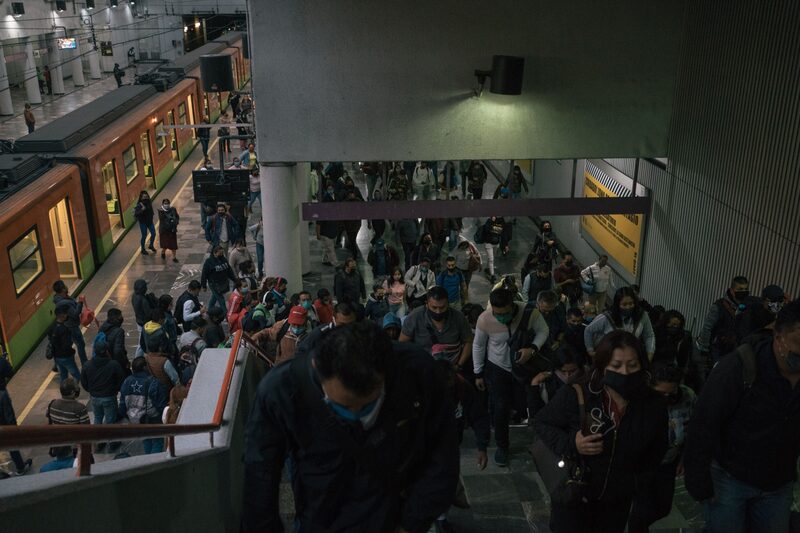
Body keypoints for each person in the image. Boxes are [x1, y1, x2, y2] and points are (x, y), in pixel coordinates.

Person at [242, 321, 459, 532]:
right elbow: (260, 476)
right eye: (343, 405)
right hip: (321, 515)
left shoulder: (416, 373)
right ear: (317, 367)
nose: (356, 415)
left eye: (367, 405)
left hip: (392, 513)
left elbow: (442, 454)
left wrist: (411, 524)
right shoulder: (281, 391)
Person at [684, 299, 800, 533]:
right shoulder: (740, 367)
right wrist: (698, 481)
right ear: (778, 337)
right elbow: (703, 424)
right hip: (729, 479)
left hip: (778, 483)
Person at [534, 330, 668, 533]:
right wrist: (573, 443)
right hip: (576, 494)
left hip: (617, 502)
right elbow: (542, 423)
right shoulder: (579, 393)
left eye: (632, 365)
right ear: (603, 365)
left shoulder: (652, 404)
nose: (624, 372)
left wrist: (636, 483)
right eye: (616, 366)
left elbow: (657, 450)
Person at [473, 288, 549, 466]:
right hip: (498, 368)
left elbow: (543, 331)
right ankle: (502, 445)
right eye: (497, 313)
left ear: (513, 305)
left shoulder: (530, 313)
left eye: (505, 313)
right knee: (500, 409)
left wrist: (532, 349)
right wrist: (478, 372)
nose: (501, 317)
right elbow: (478, 345)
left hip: (523, 368)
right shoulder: (485, 319)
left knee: (526, 404)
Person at [628, 364, 696, 533]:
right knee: (642, 510)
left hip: (668, 461)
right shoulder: (639, 400)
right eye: (660, 393)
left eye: (670, 393)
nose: (665, 398)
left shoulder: (688, 396)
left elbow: (696, 428)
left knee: (663, 507)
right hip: (643, 464)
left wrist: (684, 457)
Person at [400, 286, 473, 369]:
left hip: (451, 370)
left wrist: (459, 366)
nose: (438, 312)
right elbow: (402, 344)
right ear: (427, 304)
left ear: (448, 304)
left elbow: (468, 341)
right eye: (434, 307)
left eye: (442, 307)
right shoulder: (414, 317)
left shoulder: (459, 317)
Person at [584, 286, 656, 361]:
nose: (628, 307)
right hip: (608, 358)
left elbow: (649, 335)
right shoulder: (606, 317)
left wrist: (649, 354)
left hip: (631, 357)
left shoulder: (642, 316)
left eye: (631, 303)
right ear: (617, 305)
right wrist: (590, 351)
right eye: (624, 304)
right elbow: (588, 330)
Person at [696, 275, 753, 366]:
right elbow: (707, 328)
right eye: (740, 289)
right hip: (718, 349)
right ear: (732, 290)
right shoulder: (719, 306)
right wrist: (704, 350)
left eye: (745, 289)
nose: (743, 292)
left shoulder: (748, 306)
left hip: (737, 349)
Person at [80, 339, 125, 452]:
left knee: (98, 418)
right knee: (110, 420)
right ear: (107, 351)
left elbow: (84, 382)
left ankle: (98, 442)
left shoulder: (87, 365)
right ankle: (112, 442)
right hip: (109, 396)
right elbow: (121, 379)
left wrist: (91, 390)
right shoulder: (113, 364)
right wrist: (115, 390)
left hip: (95, 397)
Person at [119, 356, 168, 454]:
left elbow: (122, 403)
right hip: (152, 418)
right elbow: (160, 403)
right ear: (145, 367)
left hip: (136, 418)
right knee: (158, 441)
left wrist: (128, 416)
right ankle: (154, 462)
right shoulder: (153, 382)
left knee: (146, 440)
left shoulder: (127, 381)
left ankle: (147, 458)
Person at [41, 378, 89, 473]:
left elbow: (49, 418)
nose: (78, 390)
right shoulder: (80, 408)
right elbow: (86, 428)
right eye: (76, 388)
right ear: (72, 392)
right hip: (74, 445)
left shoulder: (52, 404)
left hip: (58, 442)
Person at [529, 346, 585, 417]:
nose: (567, 376)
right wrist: (534, 384)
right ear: (555, 369)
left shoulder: (588, 381)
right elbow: (536, 416)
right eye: (563, 371)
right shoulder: (546, 385)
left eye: (572, 371)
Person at [0, 356, 32, 475]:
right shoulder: (2, 396)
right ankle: (20, 467)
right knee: (11, 442)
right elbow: (10, 372)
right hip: (1, 392)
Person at [52, 280, 87, 365]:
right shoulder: (64, 303)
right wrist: (80, 302)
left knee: (68, 344)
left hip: (67, 325)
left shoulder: (59, 299)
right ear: (63, 289)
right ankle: (84, 363)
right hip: (72, 327)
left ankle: (56, 365)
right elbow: (75, 314)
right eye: (65, 286)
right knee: (80, 344)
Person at [201, 245, 237, 312]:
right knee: (221, 300)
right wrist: (203, 285)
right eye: (220, 253)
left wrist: (234, 279)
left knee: (214, 297)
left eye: (222, 253)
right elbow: (204, 274)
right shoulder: (209, 262)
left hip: (222, 283)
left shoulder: (223, 259)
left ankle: (209, 310)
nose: (221, 255)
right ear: (215, 253)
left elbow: (229, 271)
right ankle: (226, 315)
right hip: (214, 284)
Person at [51, 304, 81, 382]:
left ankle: (64, 389)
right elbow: (67, 344)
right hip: (66, 356)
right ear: (62, 316)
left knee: (63, 375)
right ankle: (75, 388)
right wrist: (72, 351)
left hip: (57, 356)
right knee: (76, 375)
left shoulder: (52, 326)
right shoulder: (64, 329)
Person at [97, 308, 130, 375]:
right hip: (116, 362)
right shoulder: (119, 331)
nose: (122, 318)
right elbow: (118, 351)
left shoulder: (102, 327)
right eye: (120, 316)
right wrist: (125, 362)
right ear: (116, 319)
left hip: (105, 361)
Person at [480, 216, 512, 283]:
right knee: (491, 259)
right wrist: (492, 221)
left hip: (496, 243)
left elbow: (503, 234)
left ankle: (487, 268)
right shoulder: (489, 220)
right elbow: (486, 229)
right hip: (488, 243)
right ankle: (492, 275)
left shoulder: (502, 221)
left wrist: (505, 245)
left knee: (491, 258)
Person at [132, 278, 156, 357]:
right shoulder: (143, 300)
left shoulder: (134, 296)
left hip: (139, 321)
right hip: (144, 324)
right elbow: (149, 313)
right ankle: (137, 358)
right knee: (142, 343)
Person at [134, 190, 157, 255]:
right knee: (144, 235)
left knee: (154, 233)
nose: (145, 198)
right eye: (143, 197)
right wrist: (142, 210)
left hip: (149, 221)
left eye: (146, 197)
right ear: (141, 197)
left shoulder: (149, 202)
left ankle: (151, 245)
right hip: (143, 222)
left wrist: (152, 215)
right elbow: (136, 214)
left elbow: (151, 210)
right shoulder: (139, 204)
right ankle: (143, 249)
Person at [157, 197, 180, 262]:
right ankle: (163, 252)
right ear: (163, 204)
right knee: (165, 244)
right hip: (164, 231)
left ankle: (174, 257)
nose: (166, 205)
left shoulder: (173, 209)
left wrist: (176, 222)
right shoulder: (161, 211)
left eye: (167, 203)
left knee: (173, 244)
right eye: (165, 203)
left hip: (172, 230)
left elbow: (177, 217)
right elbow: (162, 219)